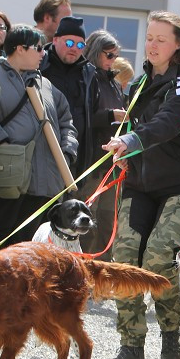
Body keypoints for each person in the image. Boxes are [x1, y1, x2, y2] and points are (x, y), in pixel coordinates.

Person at [101, 11, 180, 359]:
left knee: (159, 255)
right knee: (125, 257)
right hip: (141, 184)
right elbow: (135, 125)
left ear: (178, 46)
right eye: (149, 37)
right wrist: (122, 147)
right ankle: (131, 345)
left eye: (161, 39)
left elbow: (169, 122)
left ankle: (171, 333)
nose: (152, 44)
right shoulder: (139, 85)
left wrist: (132, 138)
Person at [0, 25, 78, 254]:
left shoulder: (46, 85)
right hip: (4, 177)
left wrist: (67, 152)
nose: (43, 53)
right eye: (38, 48)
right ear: (19, 48)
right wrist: (2, 143)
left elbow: (67, 121)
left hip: (44, 183)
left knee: (32, 247)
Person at [79, 28, 126, 257]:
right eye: (109, 55)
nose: (112, 60)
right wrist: (112, 115)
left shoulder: (114, 82)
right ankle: (85, 269)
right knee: (88, 218)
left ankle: (104, 272)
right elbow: (85, 117)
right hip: (93, 162)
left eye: (115, 56)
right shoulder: (87, 78)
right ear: (96, 52)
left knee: (108, 219)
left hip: (113, 162)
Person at [40, 16, 99, 175]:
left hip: (73, 158)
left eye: (80, 44)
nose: (74, 48)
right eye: (69, 43)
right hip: (40, 154)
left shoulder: (88, 74)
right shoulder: (39, 66)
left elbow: (91, 114)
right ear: (55, 40)